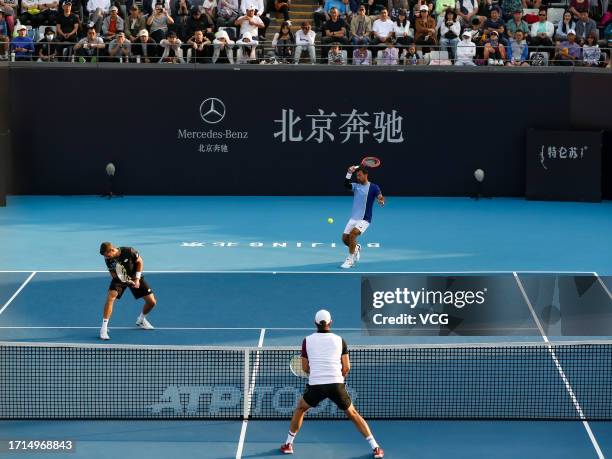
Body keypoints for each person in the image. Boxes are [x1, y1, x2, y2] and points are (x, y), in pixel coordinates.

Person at [280, 309, 385, 459]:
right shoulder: (340, 340)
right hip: (337, 385)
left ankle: (288, 444)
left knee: (301, 408)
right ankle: (376, 448)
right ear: (330, 323)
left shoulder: (307, 340)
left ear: (315, 323)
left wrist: (317, 373)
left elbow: (304, 368)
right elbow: (346, 367)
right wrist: (337, 376)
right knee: (353, 414)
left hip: (316, 386)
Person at [99, 242, 156, 341]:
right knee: (111, 297)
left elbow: (140, 262)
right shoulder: (107, 257)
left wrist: (137, 279)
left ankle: (141, 320)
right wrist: (126, 281)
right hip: (119, 279)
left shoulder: (129, 251)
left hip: (135, 276)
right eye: (104, 255)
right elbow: (113, 274)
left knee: (151, 302)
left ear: (112, 250)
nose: (106, 257)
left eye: (107, 255)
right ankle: (103, 329)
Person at [341, 165, 384, 269]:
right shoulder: (356, 186)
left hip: (365, 219)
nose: (358, 177)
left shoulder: (374, 187)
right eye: (357, 176)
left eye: (360, 175)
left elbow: (380, 196)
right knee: (344, 239)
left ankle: (350, 259)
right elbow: (345, 184)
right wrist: (349, 173)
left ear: (366, 175)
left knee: (353, 234)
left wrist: (381, 200)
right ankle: (356, 248)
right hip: (353, 218)